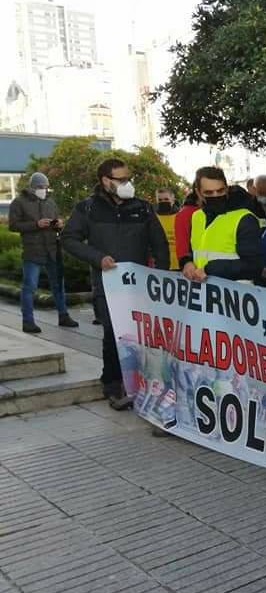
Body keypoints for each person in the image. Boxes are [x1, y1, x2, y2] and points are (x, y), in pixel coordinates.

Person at [62, 158, 168, 410]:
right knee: (113, 334)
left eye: (128, 178)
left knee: (140, 336)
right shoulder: (88, 208)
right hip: (107, 286)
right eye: (121, 179)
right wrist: (97, 258)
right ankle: (113, 384)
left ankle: (143, 383)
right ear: (106, 181)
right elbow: (68, 238)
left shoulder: (142, 208)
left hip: (139, 286)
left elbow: (160, 244)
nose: (127, 183)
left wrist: (161, 277)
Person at [8, 172, 78, 333]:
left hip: (52, 250)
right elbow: (13, 225)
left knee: (58, 285)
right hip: (33, 251)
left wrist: (59, 224)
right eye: (41, 187)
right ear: (32, 187)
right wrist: (36, 224)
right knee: (29, 287)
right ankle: (28, 321)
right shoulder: (19, 202)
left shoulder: (50, 202)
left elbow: (57, 220)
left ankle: (63, 316)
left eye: (46, 187)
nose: (44, 190)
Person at [180, 166, 264, 283]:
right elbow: (195, 250)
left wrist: (210, 269)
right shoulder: (197, 217)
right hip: (203, 289)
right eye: (209, 192)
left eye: (220, 191)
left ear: (227, 189)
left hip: (235, 291)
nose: (216, 196)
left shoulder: (244, 219)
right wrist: (187, 262)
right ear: (199, 193)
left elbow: (254, 266)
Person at [154, 188, 180, 270]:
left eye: (166, 199)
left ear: (173, 200)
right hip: (160, 264)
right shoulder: (153, 218)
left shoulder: (180, 217)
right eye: (160, 200)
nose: (163, 202)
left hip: (179, 264)